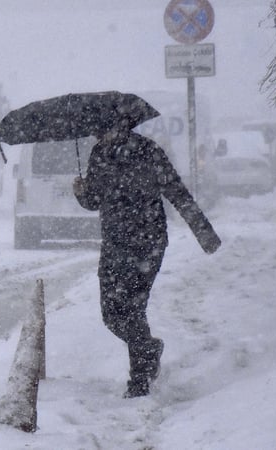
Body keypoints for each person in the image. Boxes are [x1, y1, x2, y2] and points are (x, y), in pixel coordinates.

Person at [73, 127, 221, 398]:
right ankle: (149, 350)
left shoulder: (147, 150)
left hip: (147, 243)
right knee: (111, 314)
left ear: (119, 124)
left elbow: (177, 191)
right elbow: (95, 200)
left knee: (131, 309)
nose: (96, 134)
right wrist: (82, 193)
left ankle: (139, 381)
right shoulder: (98, 154)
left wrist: (204, 233)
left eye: (100, 129)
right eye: (95, 131)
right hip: (115, 244)